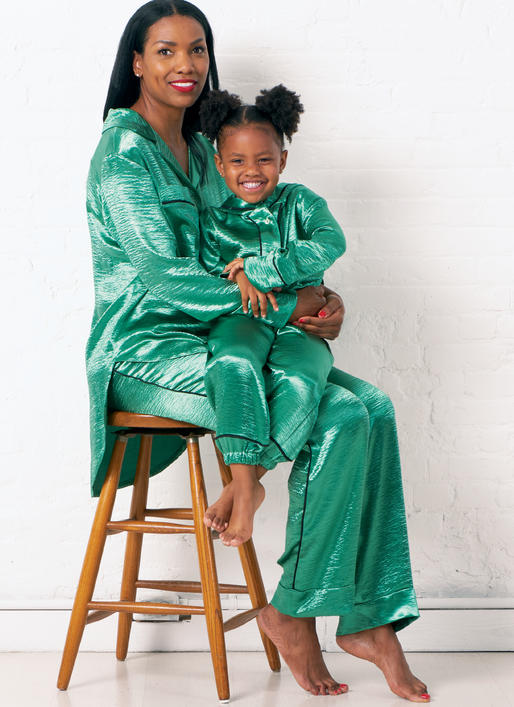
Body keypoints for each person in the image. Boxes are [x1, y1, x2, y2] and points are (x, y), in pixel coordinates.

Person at [85, 0, 429, 700]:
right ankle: (298, 612)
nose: (185, 65)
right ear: (136, 63)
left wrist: (319, 301)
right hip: (145, 351)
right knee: (339, 415)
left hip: (230, 336)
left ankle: (357, 616)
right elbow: (169, 279)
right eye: (165, 50)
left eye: (197, 49)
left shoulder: (205, 147)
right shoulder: (123, 155)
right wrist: (287, 306)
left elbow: (256, 245)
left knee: (372, 407)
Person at [197, 84, 345, 547]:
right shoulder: (213, 221)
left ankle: (244, 485)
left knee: (302, 381)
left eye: (264, 159)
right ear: (219, 164)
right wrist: (239, 279)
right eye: (237, 161)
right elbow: (211, 283)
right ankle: (247, 490)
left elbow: (330, 242)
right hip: (242, 321)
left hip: (301, 328)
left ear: (282, 160)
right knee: (232, 362)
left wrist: (256, 268)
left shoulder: (302, 203)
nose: (251, 171)